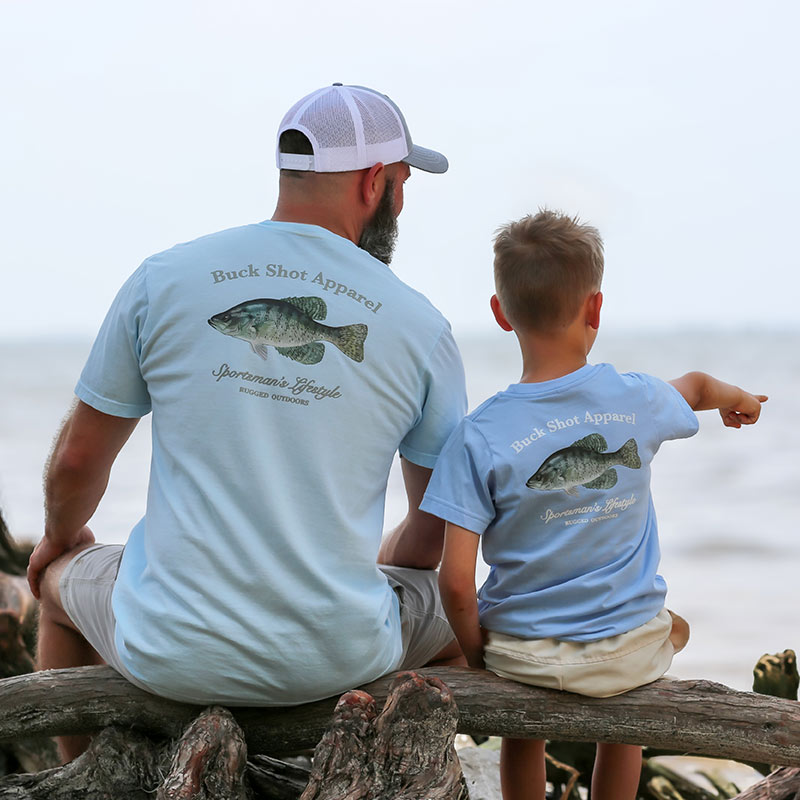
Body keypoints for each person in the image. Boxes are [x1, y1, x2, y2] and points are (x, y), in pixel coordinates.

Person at [27, 83, 467, 761]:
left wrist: (59, 537)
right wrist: (375, 572)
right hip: (339, 658)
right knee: (459, 611)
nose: (402, 201)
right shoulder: (421, 326)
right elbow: (434, 526)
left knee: (56, 584)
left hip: (168, 650)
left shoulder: (163, 278)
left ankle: (83, 778)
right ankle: (426, 769)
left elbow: (79, 464)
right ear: (374, 181)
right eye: (404, 182)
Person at [420, 210, 766, 800]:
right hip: (628, 652)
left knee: (520, 738)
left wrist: (482, 661)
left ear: (501, 315)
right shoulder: (634, 398)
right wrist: (743, 403)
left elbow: (455, 582)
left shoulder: (478, 436)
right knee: (628, 716)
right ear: (596, 310)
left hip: (522, 656)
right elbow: (700, 386)